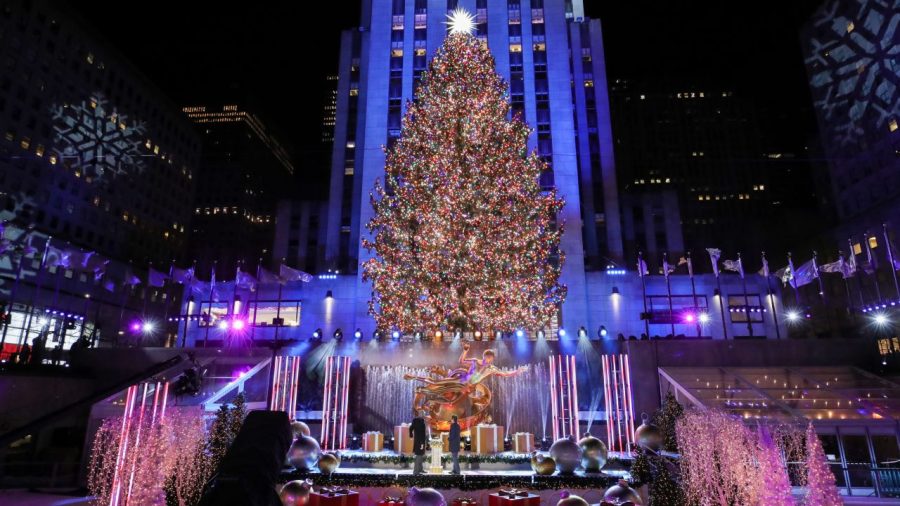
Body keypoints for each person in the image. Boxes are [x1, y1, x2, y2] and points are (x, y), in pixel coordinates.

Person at [410, 409, 428, 475]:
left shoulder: (419, 420)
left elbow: (411, 428)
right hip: (420, 442)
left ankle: (420, 469)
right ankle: (416, 472)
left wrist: (411, 434)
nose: (424, 415)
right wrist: (411, 435)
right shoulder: (418, 421)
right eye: (424, 414)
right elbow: (412, 428)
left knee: (421, 455)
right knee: (419, 456)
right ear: (421, 414)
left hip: (421, 441)